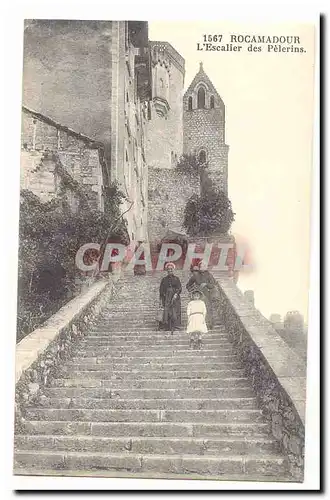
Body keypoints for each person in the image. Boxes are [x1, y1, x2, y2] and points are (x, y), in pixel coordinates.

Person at [186, 262, 217, 329]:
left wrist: (206, 284)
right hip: (198, 295)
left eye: (204, 266)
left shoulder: (209, 275)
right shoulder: (196, 276)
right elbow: (188, 285)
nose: (202, 268)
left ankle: (209, 324)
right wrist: (192, 290)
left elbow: (213, 285)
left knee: (208, 309)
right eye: (201, 266)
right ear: (199, 267)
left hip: (206, 294)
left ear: (206, 267)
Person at [159, 263, 182, 332]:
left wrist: (176, 294)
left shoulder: (176, 279)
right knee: (167, 311)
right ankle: (167, 326)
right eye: (168, 269)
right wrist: (164, 296)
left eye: (171, 269)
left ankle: (176, 325)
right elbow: (161, 289)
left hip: (175, 297)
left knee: (175, 310)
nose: (170, 270)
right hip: (166, 298)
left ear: (173, 270)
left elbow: (179, 288)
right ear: (167, 270)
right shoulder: (164, 279)